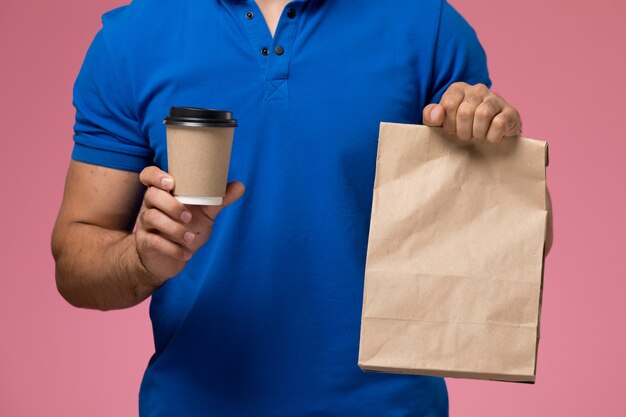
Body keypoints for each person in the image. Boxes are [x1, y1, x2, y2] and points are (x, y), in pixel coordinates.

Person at [52, 0, 551, 415]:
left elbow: (517, 244)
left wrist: (498, 151)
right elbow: (75, 259)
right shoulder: (130, 40)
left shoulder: (429, 26)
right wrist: (142, 259)